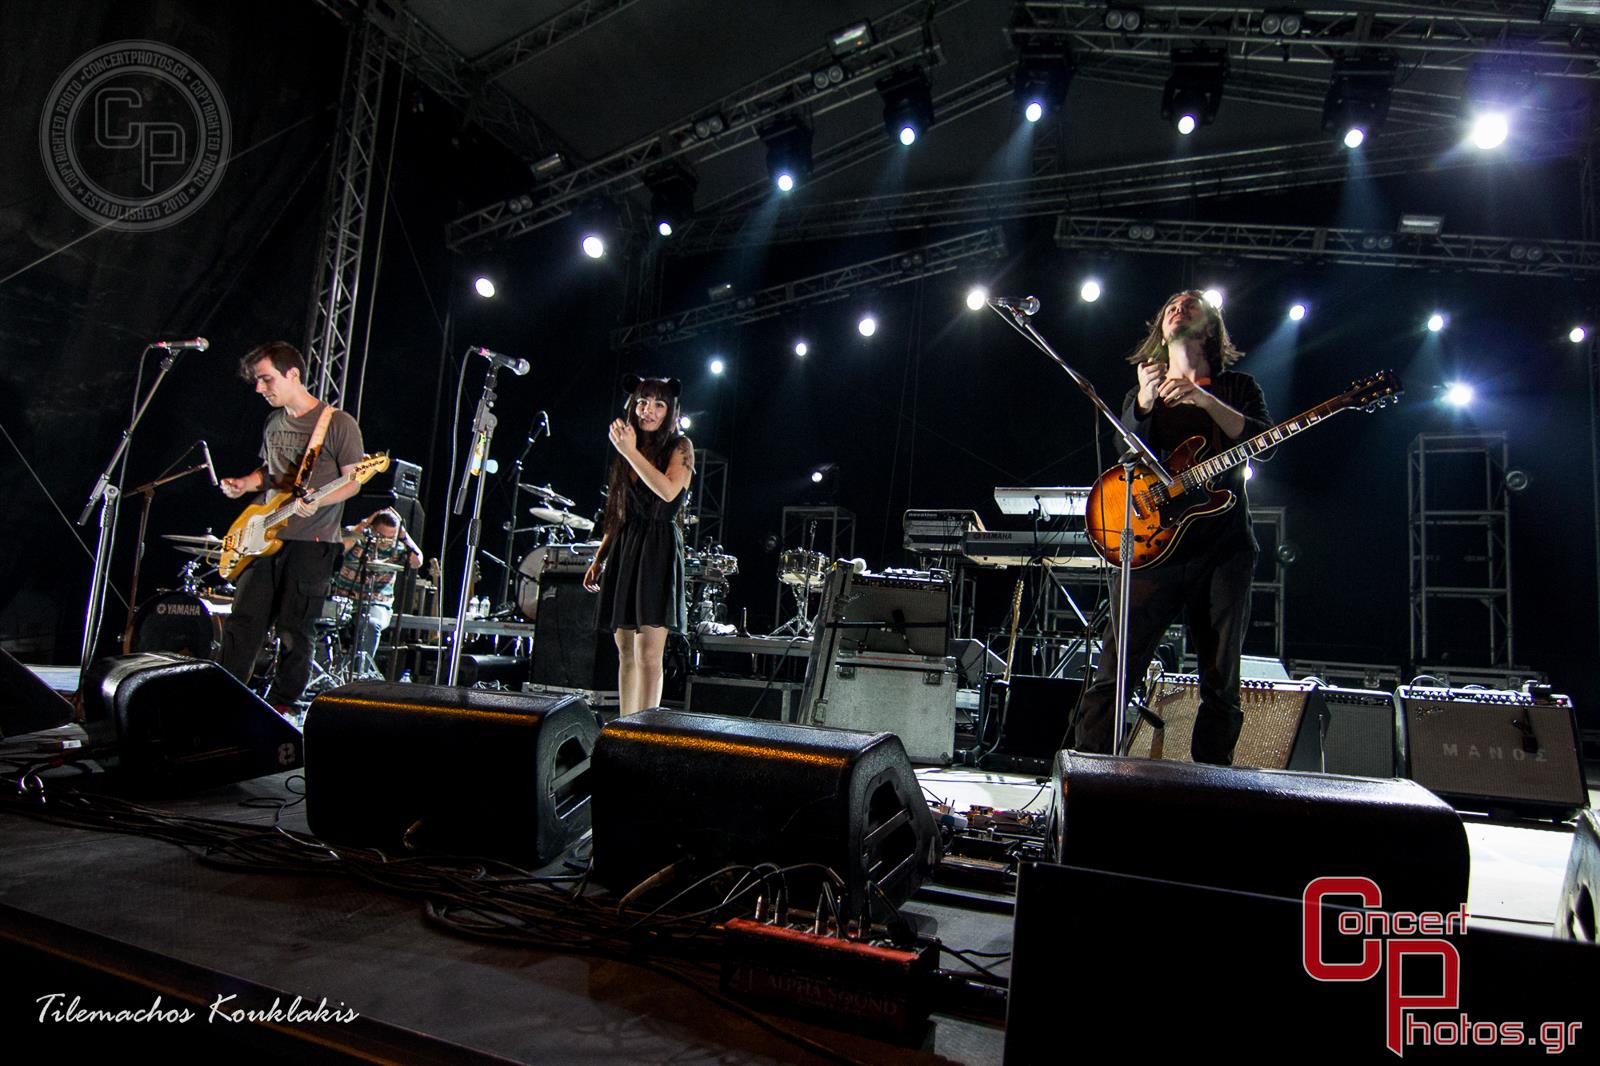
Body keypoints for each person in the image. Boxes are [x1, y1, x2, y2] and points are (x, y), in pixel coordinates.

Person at [1072, 291, 1272, 765]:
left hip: (1223, 551)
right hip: (1152, 551)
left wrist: (1205, 400)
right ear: (1161, 331)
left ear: (1210, 327)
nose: (1179, 307)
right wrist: (1143, 403)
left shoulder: (1238, 387)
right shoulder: (1143, 394)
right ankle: (1084, 778)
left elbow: (1264, 443)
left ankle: (1211, 785)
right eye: (1171, 306)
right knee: (1114, 673)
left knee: (1220, 681)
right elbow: (1126, 459)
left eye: (1191, 303)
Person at [219, 341, 364, 712]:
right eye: (257, 381)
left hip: (312, 542)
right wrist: (244, 484)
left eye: (266, 379)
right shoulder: (273, 422)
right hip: (263, 536)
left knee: (294, 629)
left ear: (293, 374)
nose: (259, 388)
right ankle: (225, 701)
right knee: (243, 622)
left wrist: (318, 500)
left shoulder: (337, 423)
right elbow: (271, 474)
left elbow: (353, 481)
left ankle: (282, 706)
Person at [582, 376, 694, 715]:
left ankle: (646, 732)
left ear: (670, 411)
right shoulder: (626, 450)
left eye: (659, 404)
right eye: (643, 402)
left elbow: (668, 492)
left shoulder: (681, 446)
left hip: (658, 548)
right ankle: (625, 726)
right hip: (626, 546)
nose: (649, 410)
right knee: (625, 651)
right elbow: (618, 511)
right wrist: (600, 557)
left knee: (648, 653)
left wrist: (629, 452)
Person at [330, 508, 423, 672]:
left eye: (390, 537)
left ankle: (360, 673)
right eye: (381, 536)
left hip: (376, 603)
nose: (385, 541)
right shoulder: (357, 535)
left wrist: (403, 535)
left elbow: (417, 562)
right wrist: (362, 526)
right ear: (372, 529)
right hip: (343, 599)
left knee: (371, 624)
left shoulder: (398, 547)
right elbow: (338, 550)